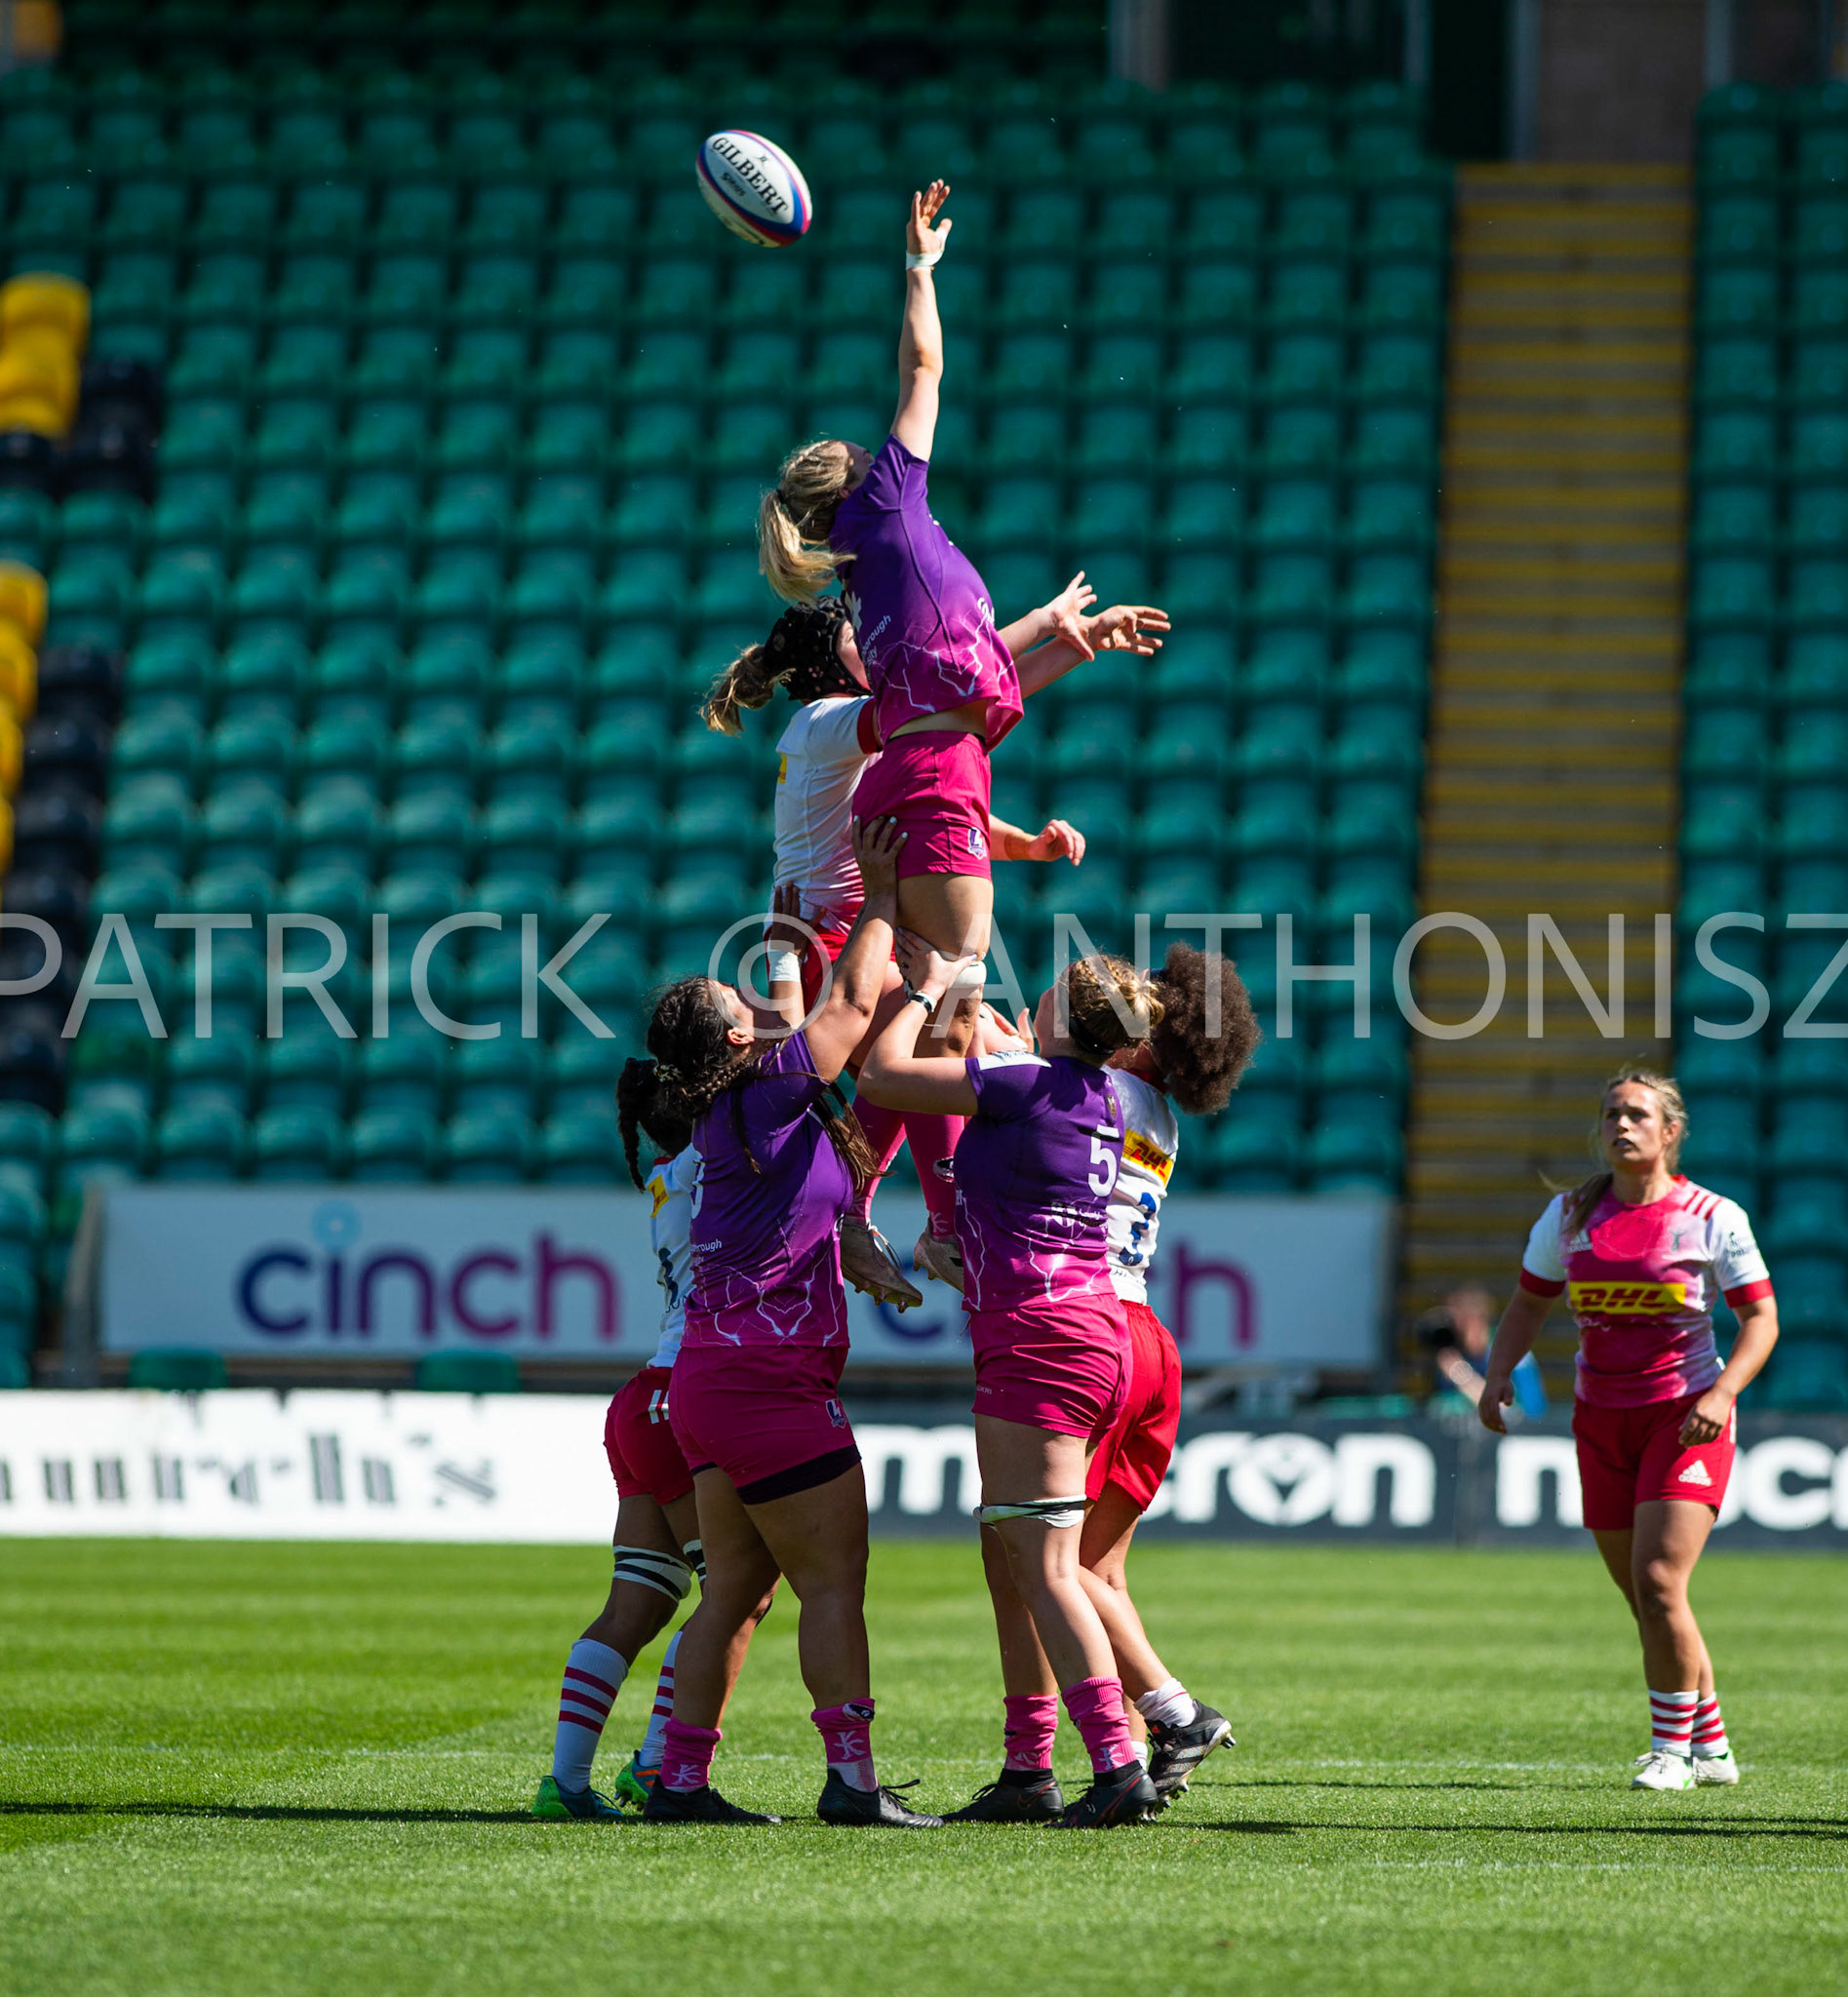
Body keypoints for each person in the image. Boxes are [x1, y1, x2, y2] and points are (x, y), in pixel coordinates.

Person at [755, 178, 1166, 1072]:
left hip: (940, 770)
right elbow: (923, 367)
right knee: (945, 1015)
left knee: (935, 1010)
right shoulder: (890, 504)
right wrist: (919, 267)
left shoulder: (873, 581)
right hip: (937, 778)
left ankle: (917, 1194)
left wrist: (1065, 637)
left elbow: (977, 680)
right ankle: (946, 1192)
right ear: (860, 480)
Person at [702, 590, 1162, 1293]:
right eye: (861, 632)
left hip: (847, 924)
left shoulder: (847, 725)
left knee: (937, 1044)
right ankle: (921, 1225)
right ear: (831, 659)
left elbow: (951, 767)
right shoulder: (823, 721)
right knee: (939, 1034)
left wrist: (1026, 844)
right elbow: (959, 686)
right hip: (823, 932)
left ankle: (865, 1215)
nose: (883, 636)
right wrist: (1050, 628)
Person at [635, 818, 941, 1828]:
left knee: (732, 1589)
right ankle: (851, 1780)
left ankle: (678, 1778)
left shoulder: (741, 1097)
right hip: (768, 1381)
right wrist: (887, 894)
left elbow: (798, 993)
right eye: (744, 1006)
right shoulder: (769, 1088)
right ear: (734, 1037)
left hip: (713, 1383)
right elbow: (853, 1000)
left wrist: (793, 914)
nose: (758, 1006)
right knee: (832, 1585)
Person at [948, 944, 1261, 1821]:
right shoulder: (1155, 1113)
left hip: (1083, 1322)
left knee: (1031, 1553)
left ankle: (1143, 1722)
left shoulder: (1089, 1089)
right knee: (1086, 1568)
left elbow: (954, 1057)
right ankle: (1104, 1743)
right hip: (1142, 1340)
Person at [859, 945, 1165, 1828]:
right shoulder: (1101, 1094)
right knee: (1024, 1555)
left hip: (1038, 1339)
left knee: (1042, 1566)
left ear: (1064, 1017)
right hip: (1084, 1328)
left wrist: (923, 989)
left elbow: (883, 1072)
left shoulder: (1022, 1084)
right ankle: (1039, 1768)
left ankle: (1117, 1764)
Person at [1479, 1068, 1779, 1791]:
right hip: (1599, 1419)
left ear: (1669, 1132)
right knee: (1647, 1595)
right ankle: (1711, 1748)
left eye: (1638, 1115)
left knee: (1657, 1581)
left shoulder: (1712, 1216)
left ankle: (1670, 1753)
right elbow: (1526, 1305)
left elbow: (1760, 1320)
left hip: (1685, 1417)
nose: (1621, 1126)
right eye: (1612, 1113)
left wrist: (1724, 1390)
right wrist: (1496, 1374)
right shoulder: (1568, 1218)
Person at [532, 1085, 745, 1821]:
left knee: (641, 1600)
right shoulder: (707, 1164)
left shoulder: (669, 1170)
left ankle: (563, 1785)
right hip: (681, 1396)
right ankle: (660, 1764)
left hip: (645, 1395)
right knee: (736, 1589)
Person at [1416, 1284, 1547, 1419]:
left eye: (1457, 1322)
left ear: (1475, 1321)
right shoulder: (1455, 1355)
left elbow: (1519, 1414)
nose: (1453, 1329)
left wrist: (1462, 1376)